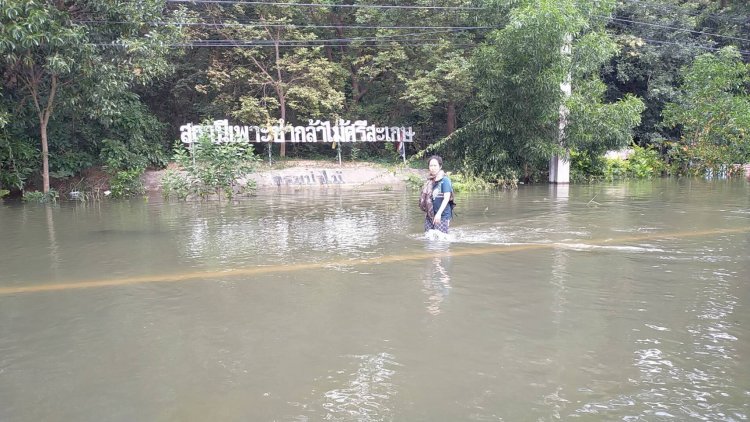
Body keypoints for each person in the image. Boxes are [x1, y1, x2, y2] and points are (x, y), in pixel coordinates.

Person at [421, 155, 454, 233]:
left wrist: (438, 214)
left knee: (441, 240)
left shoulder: (445, 180)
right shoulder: (429, 181)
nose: (433, 168)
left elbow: (446, 198)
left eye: (435, 165)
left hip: (442, 215)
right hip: (430, 215)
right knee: (429, 239)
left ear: (440, 166)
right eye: (431, 165)